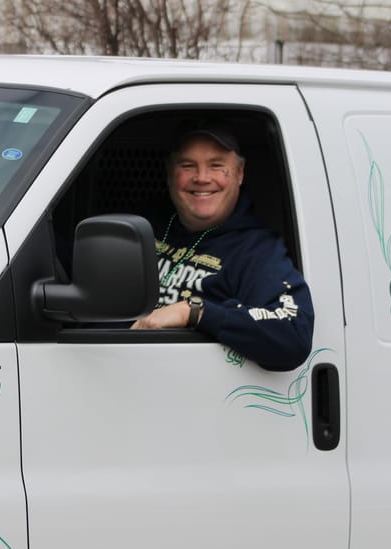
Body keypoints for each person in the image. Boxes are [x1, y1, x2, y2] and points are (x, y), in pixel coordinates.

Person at [131, 122, 314, 371]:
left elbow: (293, 334)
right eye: (188, 166)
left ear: (239, 173)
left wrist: (194, 313)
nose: (202, 178)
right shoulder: (140, 224)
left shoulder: (257, 251)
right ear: (170, 172)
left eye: (217, 166)